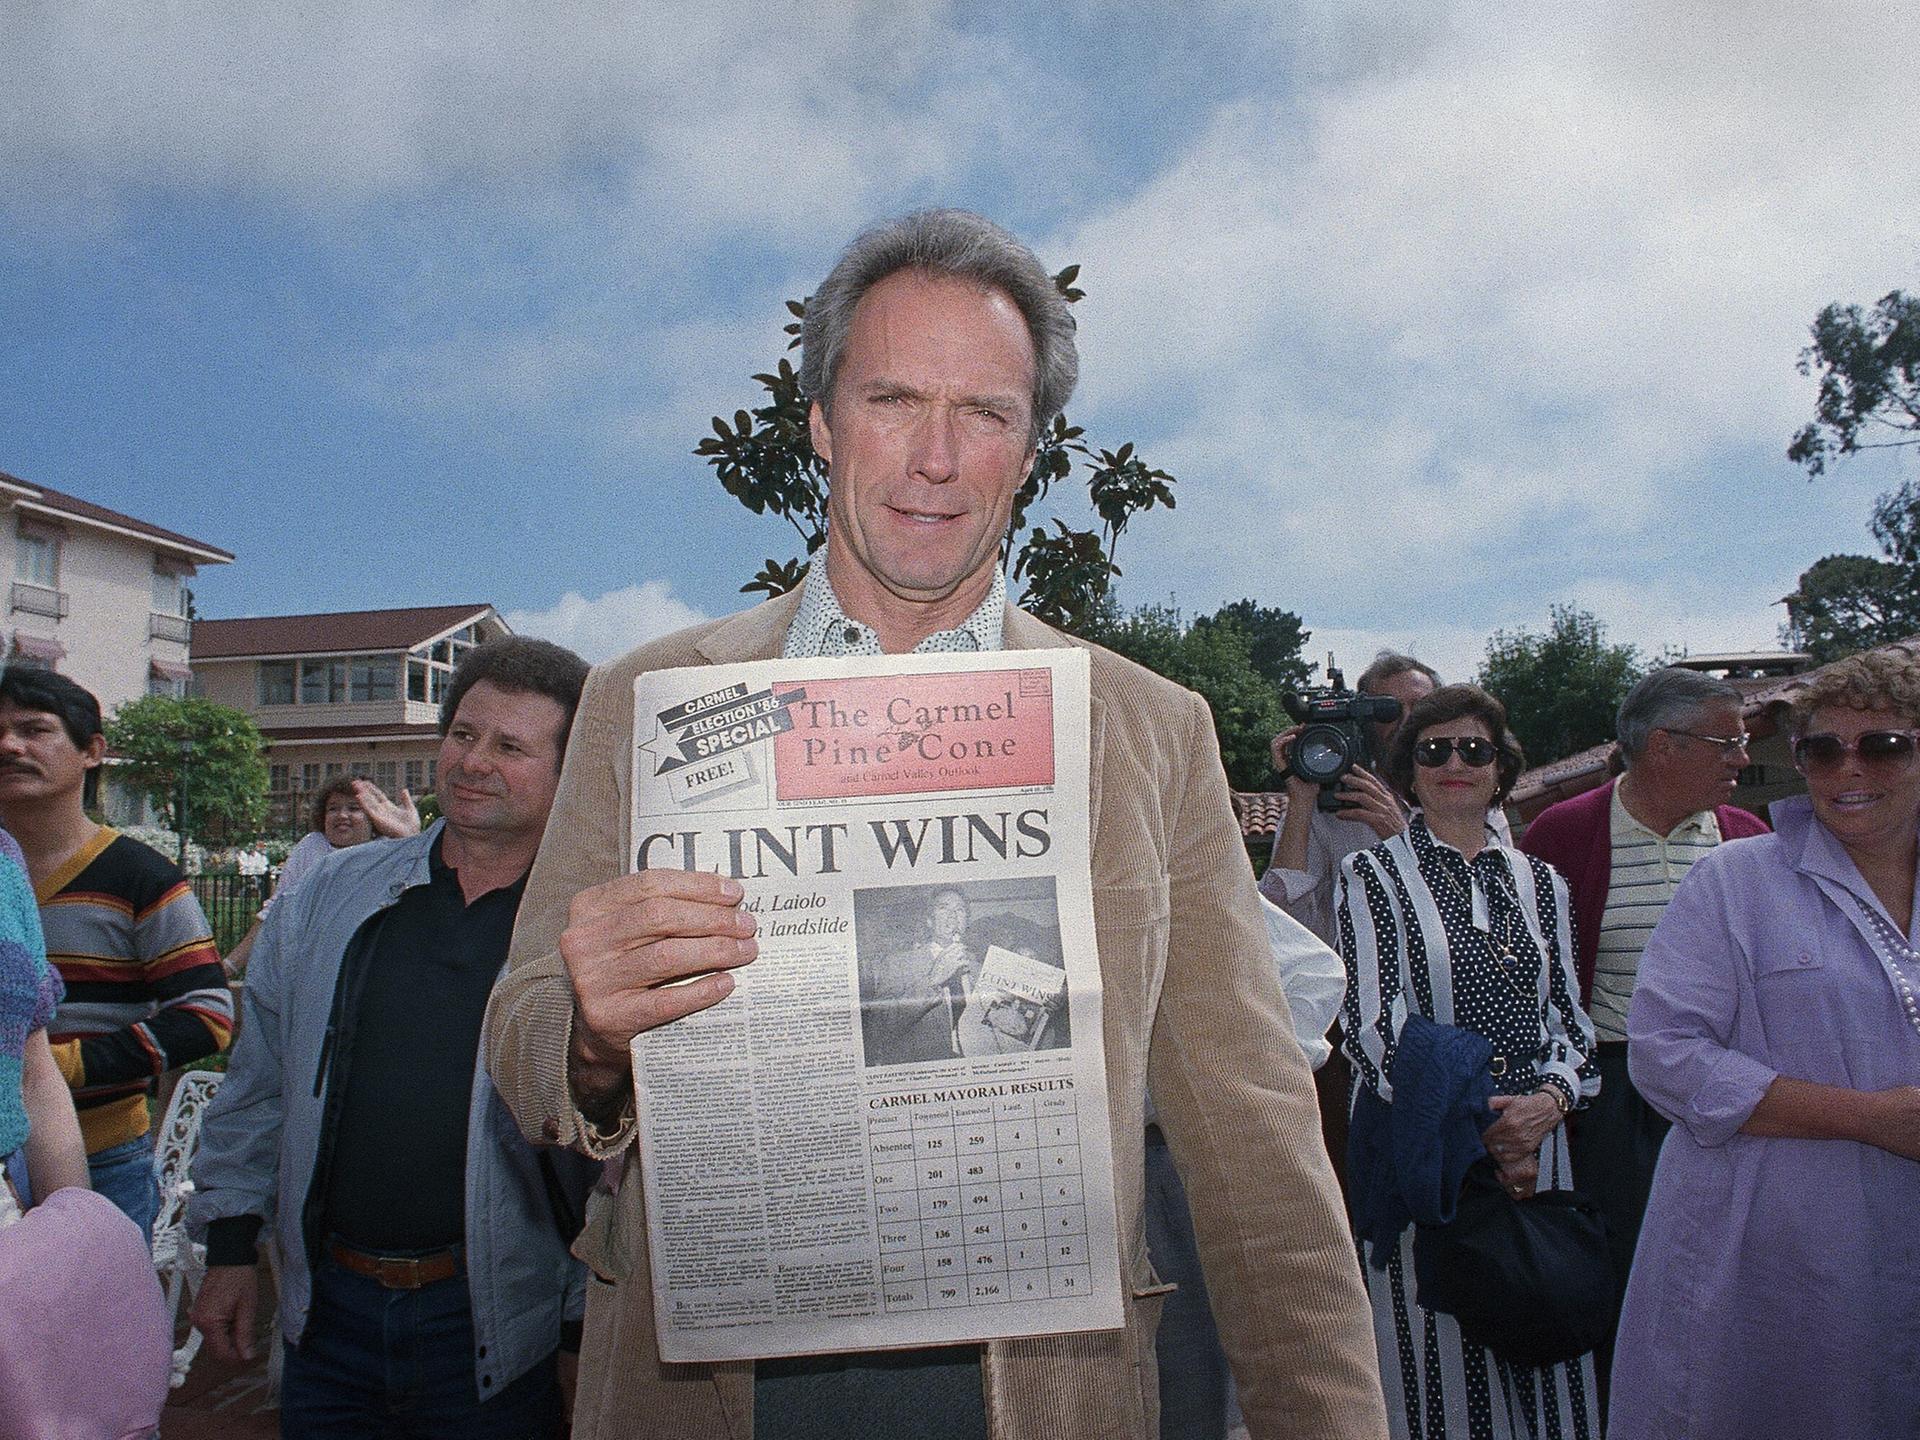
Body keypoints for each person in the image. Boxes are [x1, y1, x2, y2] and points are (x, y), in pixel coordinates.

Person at [482, 208, 1386, 1440]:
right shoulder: (648, 700)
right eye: (895, 399)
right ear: (819, 420)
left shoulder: (1145, 730)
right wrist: (589, 1037)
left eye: (986, 413)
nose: (937, 458)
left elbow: (1255, 1138)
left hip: (1038, 1391)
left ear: (1031, 450)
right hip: (706, 1389)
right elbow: (525, 1028)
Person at [188, 638, 600, 1437]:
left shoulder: (585, 925)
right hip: (328, 1319)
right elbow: (260, 1082)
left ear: (568, 771)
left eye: (511, 747)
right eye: (463, 735)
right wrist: (231, 1248)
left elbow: (611, 1161)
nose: (473, 762)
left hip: (494, 1328)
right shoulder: (329, 898)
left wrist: (580, 1324)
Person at [1608, 649, 1920, 1440]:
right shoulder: (1734, 882)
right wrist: (1868, 1117)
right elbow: (1666, 1055)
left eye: (1882, 745)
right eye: (1821, 749)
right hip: (1772, 1250)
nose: (1848, 769)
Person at [1336, 684, 1600, 1440]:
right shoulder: (1373, 877)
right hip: (1435, 1150)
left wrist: (1547, 1103)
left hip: (1537, 1145)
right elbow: (1371, 1027)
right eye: (1434, 750)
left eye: (1474, 750)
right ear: (1409, 771)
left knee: (1546, 1327)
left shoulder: (1542, 883)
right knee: (1441, 1360)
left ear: (1501, 770)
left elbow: (1571, 1021)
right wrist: (1481, 1129)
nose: (1456, 763)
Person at [1516, 666, 1766, 1379]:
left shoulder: (1748, 841)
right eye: (1728, 743)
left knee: (1730, 1278)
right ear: (1665, 745)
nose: (1741, 759)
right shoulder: (1563, 835)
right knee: (1627, 1280)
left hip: (1732, 1094)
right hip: (1613, 1098)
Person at [0, 667, 229, 1242]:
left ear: (92, 752)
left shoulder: (139, 875)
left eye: (34, 730)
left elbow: (207, 1014)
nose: (9, 745)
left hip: (103, 1158)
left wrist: (63, 1065)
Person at [858, 886, 975, 1065]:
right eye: (943, 908)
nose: (952, 916)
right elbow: (878, 1028)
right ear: (929, 920)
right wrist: (932, 981)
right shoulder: (898, 963)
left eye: (959, 910)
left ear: (966, 921)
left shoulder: (979, 967)